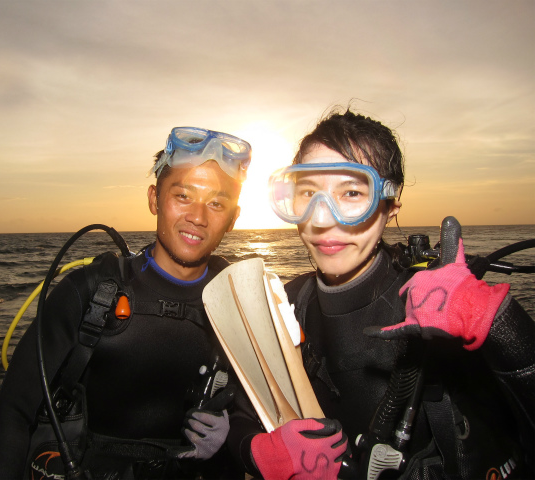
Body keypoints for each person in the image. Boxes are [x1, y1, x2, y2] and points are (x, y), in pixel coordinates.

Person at [227, 108, 535, 479]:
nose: (322, 219)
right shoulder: (285, 304)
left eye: (352, 192)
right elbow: (242, 414)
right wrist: (258, 454)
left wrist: (499, 322)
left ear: (389, 206)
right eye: (308, 192)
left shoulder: (442, 310)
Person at [0, 127, 252, 480]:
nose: (198, 216)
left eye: (216, 203)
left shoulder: (246, 309)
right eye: (183, 195)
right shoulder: (90, 294)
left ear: (233, 218)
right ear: (154, 199)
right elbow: (14, 413)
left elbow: (269, 420)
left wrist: (237, 438)